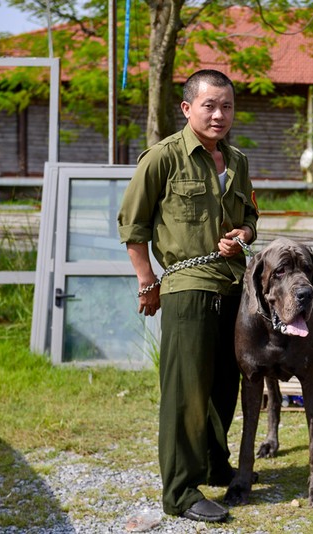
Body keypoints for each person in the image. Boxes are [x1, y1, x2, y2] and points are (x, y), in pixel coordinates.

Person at [117, 69, 258, 523]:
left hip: (233, 287)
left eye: (227, 106)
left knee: (223, 385)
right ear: (187, 108)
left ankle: (215, 466)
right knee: (185, 391)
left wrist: (244, 233)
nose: (219, 115)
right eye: (209, 106)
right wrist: (146, 281)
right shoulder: (163, 158)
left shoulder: (237, 160)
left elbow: (252, 214)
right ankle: (179, 491)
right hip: (186, 287)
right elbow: (133, 226)